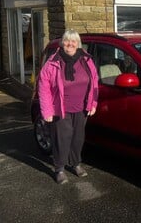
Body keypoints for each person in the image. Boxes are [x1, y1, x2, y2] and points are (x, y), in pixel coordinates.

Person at [38, 29, 99, 184]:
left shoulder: (87, 59)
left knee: (77, 138)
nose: (70, 44)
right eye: (67, 41)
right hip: (60, 109)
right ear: (62, 43)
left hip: (82, 108)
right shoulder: (53, 62)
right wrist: (47, 110)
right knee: (61, 139)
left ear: (78, 44)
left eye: (73, 41)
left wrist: (93, 103)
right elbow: (43, 87)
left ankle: (76, 163)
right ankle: (59, 169)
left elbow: (95, 82)